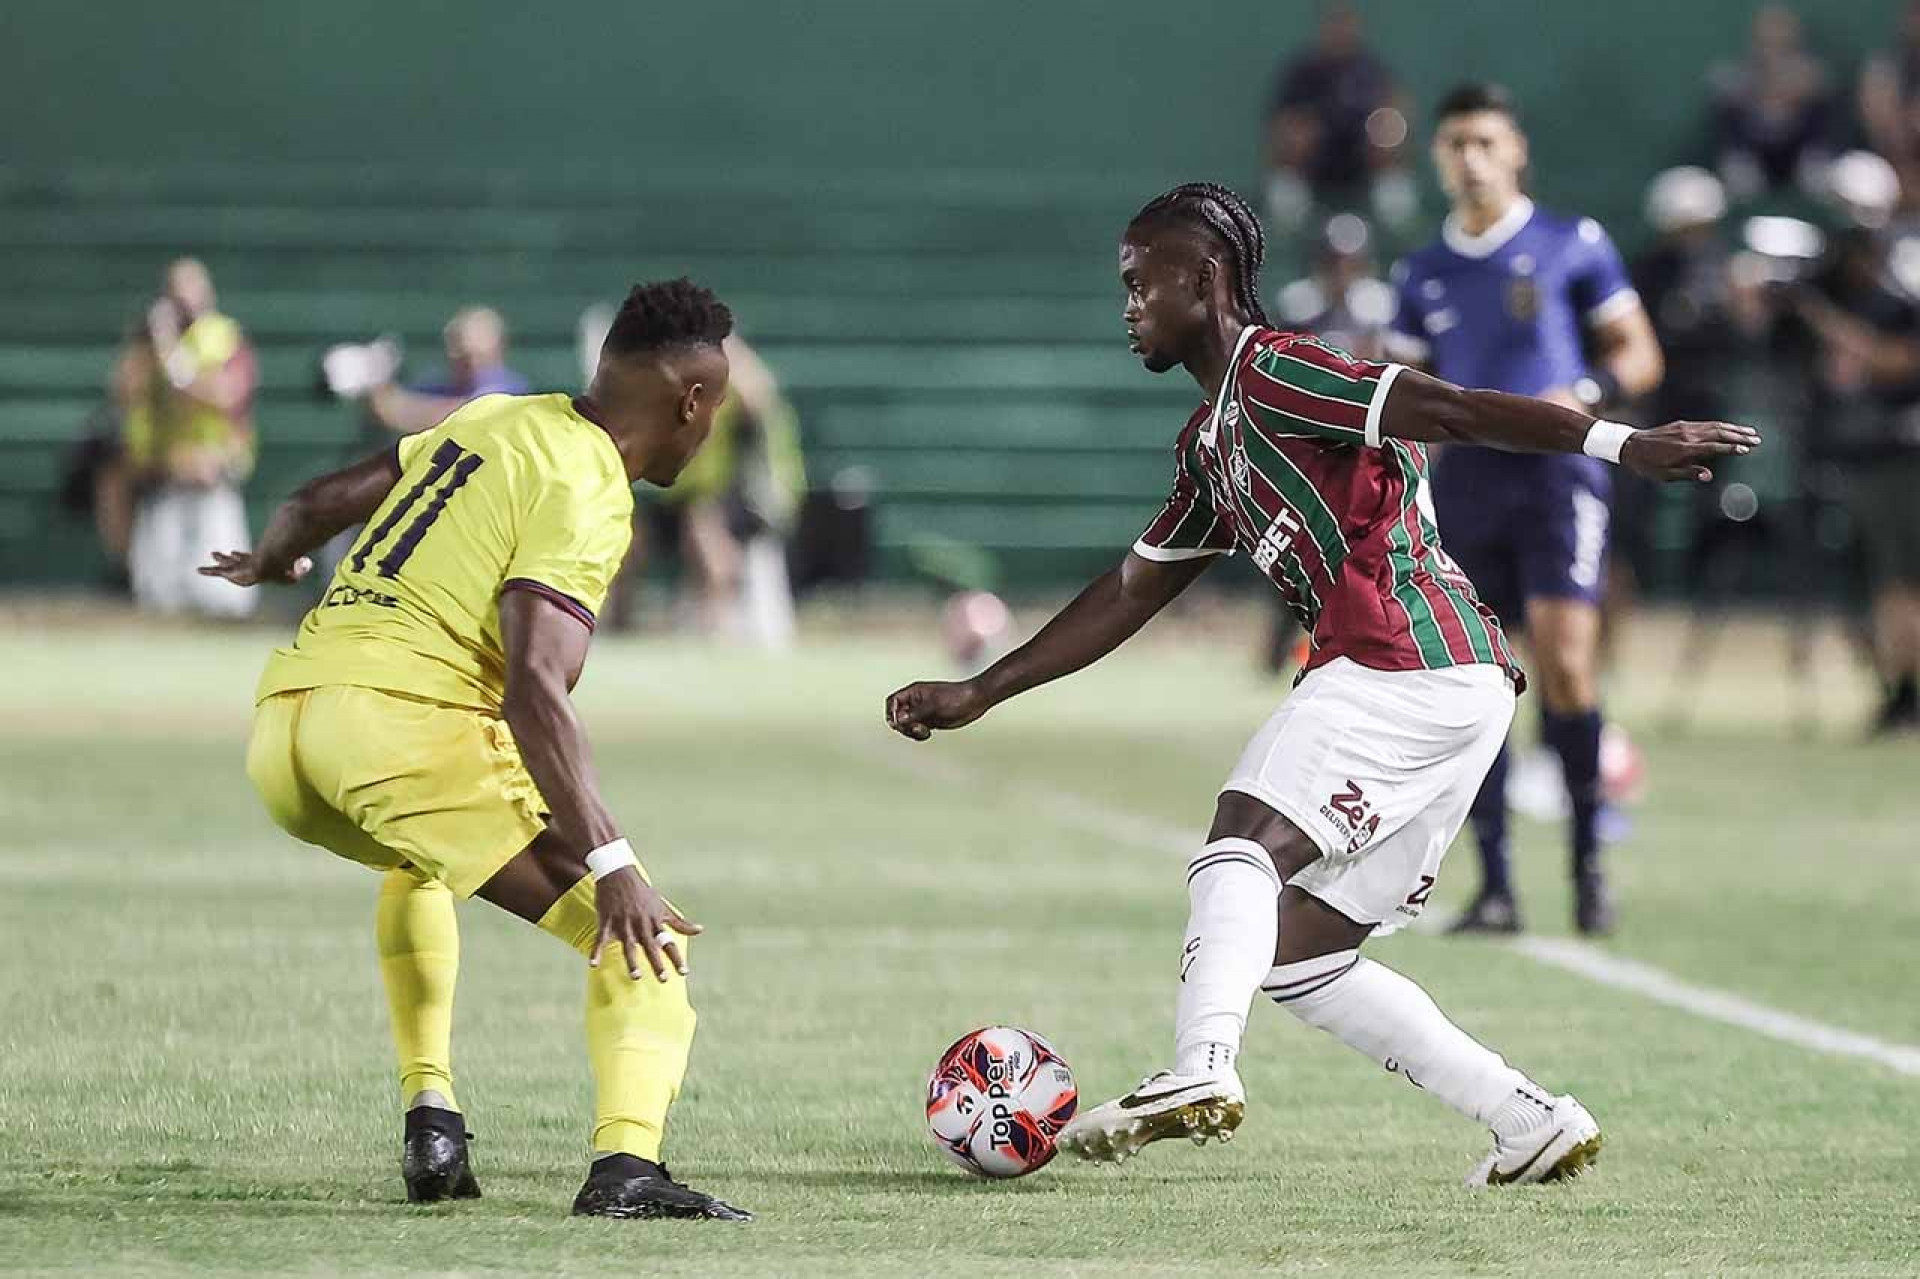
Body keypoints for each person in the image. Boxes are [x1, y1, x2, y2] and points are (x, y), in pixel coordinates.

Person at [885, 183, 1754, 1182]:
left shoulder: (1280, 371)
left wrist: (1618, 442)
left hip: (1400, 657)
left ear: (1205, 276)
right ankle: (1528, 1118)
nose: (1127, 305)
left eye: (1140, 282)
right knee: (1302, 951)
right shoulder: (1213, 441)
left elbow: (1450, 407)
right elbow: (1129, 591)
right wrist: (980, 691)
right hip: (1456, 686)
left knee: (1241, 841)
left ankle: (1199, 1065)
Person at [197, 279, 751, 1221]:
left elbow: (320, 497)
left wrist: (271, 555)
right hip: (399, 728)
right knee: (645, 942)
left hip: (287, 727)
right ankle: (626, 1169)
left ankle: (432, 1113)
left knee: (420, 860)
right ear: (692, 401)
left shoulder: (495, 416)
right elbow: (536, 685)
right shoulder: (588, 484)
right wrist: (613, 861)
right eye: (717, 406)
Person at [1386, 84, 1666, 936]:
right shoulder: (1421, 271)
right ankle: (1496, 882)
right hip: (1465, 481)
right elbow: (1398, 388)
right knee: (1480, 682)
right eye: (1455, 144)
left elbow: (1640, 355)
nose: (1470, 157)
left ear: (1516, 152)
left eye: (1484, 141)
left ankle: (1588, 866)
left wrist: (1578, 394)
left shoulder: (1568, 243)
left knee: (1567, 664)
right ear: (1438, 160)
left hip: (1557, 473)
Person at [124, 258, 259, 619]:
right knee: (158, 591)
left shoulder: (223, 336)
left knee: (221, 594)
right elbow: (127, 395)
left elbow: (227, 394)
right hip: (165, 470)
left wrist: (176, 368)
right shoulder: (150, 342)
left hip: (215, 466)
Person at [1263, 3, 1415, 233]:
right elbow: (1283, 123)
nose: (1340, 30)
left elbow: (1396, 112)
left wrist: (1385, 139)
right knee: (1288, 170)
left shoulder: (1371, 71)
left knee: (1392, 167)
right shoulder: (1302, 73)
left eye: (1345, 23)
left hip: (1361, 156)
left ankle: (1398, 231)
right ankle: (1286, 230)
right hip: (1315, 160)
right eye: (1334, 23)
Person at [1706, 4, 1835, 201]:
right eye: (1766, 38)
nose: (1774, 44)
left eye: (1781, 37)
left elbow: (1820, 84)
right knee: (1739, 175)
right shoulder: (1738, 75)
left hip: (1800, 152)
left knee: (1818, 172)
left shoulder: (1812, 77)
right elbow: (1721, 85)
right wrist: (1763, 87)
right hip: (1751, 153)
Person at [366, 307, 529, 436]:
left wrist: (398, 408)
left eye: (475, 354)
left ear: (498, 348)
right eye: (459, 351)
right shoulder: (439, 385)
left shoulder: (508, 387)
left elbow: (459, 416)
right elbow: (386, 408)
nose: (467, 361)